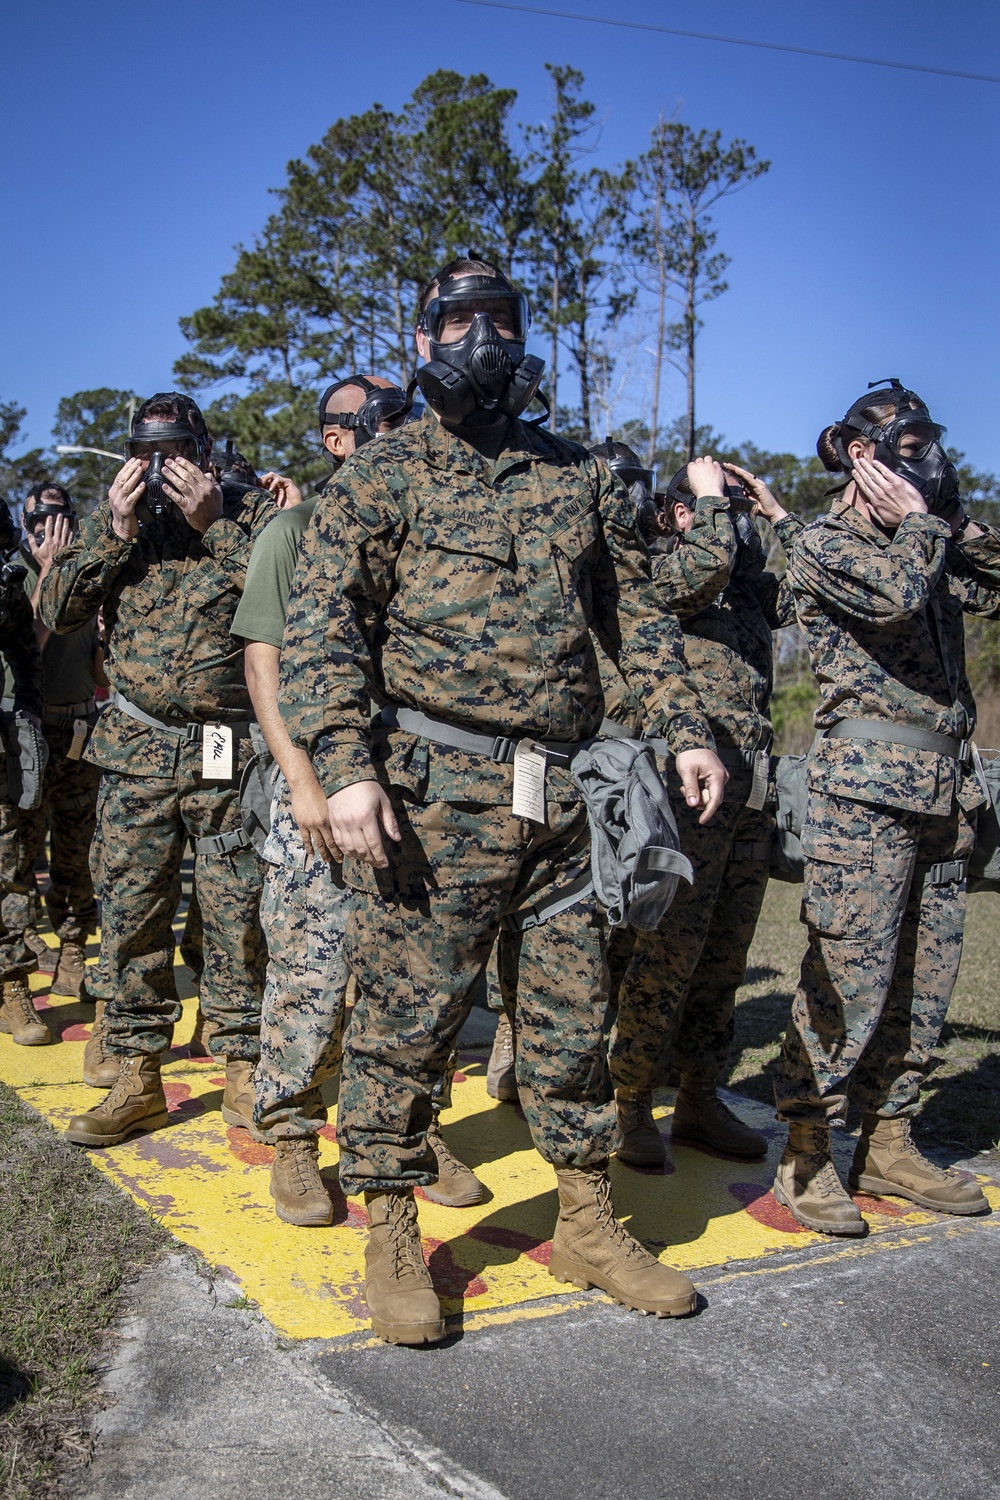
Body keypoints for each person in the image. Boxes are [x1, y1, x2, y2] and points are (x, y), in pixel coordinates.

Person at [279, 257, 726, 1344]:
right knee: (406, 1024)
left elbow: (635, 619)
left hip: (562, 798)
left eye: (503, 321)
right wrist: (344, 766)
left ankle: (583, 1219)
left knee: (571, 1025)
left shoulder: (572, 475)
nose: (485, 340)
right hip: (435, 800)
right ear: (424, 340)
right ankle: (391, 1228)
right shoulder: (381, 477)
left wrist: (685, 727)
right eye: (462, 322)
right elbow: (320, 630)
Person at [231, 373, 484, 1229]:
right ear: (337, 440)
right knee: (311, 967)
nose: (408, 429)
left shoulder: (435, 529)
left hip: (418, 791)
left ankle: (410, 1132)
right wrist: (303, 780)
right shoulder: (294, 532)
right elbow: (264, 666)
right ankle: (295, 1133)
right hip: (320, 787)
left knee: (416, 977)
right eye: (384, 420)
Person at [772, 379, 995, 1233]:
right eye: (907, 449)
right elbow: (895, 597)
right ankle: (806, 1151)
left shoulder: (930, 538)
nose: (925, 463)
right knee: (847, 979)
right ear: (861, 456)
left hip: (946, 788)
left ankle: (891, 1138)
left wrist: (952, 518)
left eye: (928, 446)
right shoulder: (828, 542)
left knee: (923, 983)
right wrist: (925, 528)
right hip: (864, 793)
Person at [39, 392, 273, 1146]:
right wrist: (114, 529)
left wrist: (216, 526)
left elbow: (295, 601)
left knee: (236, 914)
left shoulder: (245, 517)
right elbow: (58, 610)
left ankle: (242, 1065)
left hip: (225, 752)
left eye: (174, 451)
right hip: (137, 755)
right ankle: (138, 1071)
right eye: (147, 452)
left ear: (203, 452)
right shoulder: (120, 529)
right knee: (133, 915)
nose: (160, 466)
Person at [596, 444, 803, 1163]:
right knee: (666, 954)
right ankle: (625, 1103)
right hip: (685, 795)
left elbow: (812, 587)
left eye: (737, 512)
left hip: (748, 796)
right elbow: (693, 572)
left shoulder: (745, 591)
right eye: (720, 509)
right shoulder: (660, 569)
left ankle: (698, 1095)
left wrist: (775, 513)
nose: (735, 524)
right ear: (683, 512)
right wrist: (712, 501)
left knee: (724, 958)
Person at [7, 483, 104, 999]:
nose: (48, 529)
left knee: (76, 852)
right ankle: (18, 958)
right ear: (24, 525)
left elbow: (98, 669)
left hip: (80, 728)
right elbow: (30, 645)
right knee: (20, 853)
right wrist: (47, 576)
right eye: (37, 521)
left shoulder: (86, 576)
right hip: (29, 733)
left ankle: (72, 952)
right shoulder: (16, 578)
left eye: (58, 519)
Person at [0, 499, 47, 1044]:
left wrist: (29, 707)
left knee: (8, 866)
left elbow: (23, 650)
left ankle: (13, 987)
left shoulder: (7, 582)